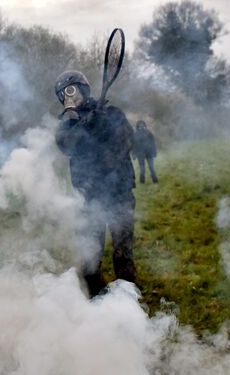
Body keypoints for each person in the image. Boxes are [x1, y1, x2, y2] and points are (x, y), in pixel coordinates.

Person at [54, 70, 138, 297]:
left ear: (83, 88)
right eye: (64, 94)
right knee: (89, 262)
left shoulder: (111, 113)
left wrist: (103, 126)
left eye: (72, 90)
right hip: (90, 199)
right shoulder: (65, 127)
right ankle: (100, 306)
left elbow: (124, 142)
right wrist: (78, 121)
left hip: (119, 194)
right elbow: (67, 145)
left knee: (123, 256)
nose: (69, 96)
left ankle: (129, 306)